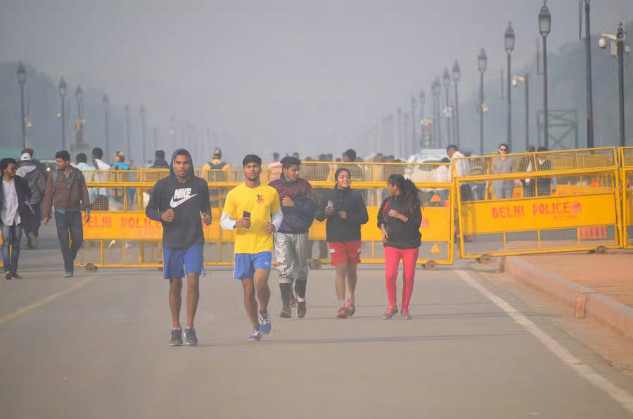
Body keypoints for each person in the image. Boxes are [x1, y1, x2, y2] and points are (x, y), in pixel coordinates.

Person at [145, 149, 212, 346]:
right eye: (178, 163)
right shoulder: (163, 186)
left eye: (185, 163)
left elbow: (206, 206)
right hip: (172, 242)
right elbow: (149, 210)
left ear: (190, 164)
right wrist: (161, 216)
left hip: (194, 241)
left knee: (193, 281)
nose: (182, 166)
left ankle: (190, 327)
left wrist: (207, 216)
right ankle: (176, 328)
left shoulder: (200, 184)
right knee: (175, 284)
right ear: (173, 164)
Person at [220, 154, 283, 341]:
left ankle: (263, 310)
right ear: (244, 169)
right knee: (248, 290)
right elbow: (224, 220)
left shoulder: (270, 192)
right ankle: (255, 327)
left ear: (260, 169)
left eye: (255, 166)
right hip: (242, 248)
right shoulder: (234, 194)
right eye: (248, 166)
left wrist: (275, 225)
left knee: (260, 282)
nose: (252, 169)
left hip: (263, 245)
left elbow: (278, 215)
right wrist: (236, 223)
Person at [315, 168, 368, 319]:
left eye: (348, 177)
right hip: (335, 239)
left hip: (353, 238)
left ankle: (350, 298)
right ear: (336, 179)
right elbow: (318, 216)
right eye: (342, 176)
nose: (345, 179)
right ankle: (341, 306)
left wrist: (348, 216)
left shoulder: (356, 196)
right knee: (341, 270)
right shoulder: (327, 195)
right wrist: (325, 212)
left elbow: (364, 218)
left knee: (351, 272)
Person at [268, 156, 316, 318]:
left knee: (301, 268)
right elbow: (264, 206)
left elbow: (313, 206)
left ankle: (301, 300)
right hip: (281, 232)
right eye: (293, 170)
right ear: (285, 170)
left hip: (301, 231)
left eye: (298, 170)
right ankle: (286, 305)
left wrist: (294, 204)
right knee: (283, 268)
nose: (296, 172)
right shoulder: (274, 187)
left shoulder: (304, 186)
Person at [377, 174, 422, 320]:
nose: (388, 188)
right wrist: (383, 229)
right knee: (390, 275)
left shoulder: (412, 203)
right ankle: (392, 306)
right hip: (392, 244)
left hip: (410, 245)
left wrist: (399, 216)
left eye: (389, 185)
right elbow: (380, 218)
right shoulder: (387, 201)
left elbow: (416, 224)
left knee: (408, 277)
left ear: (395, 186)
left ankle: (405, 307)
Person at [43, 151, 91, 277]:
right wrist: (46, 214)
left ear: (67, 161)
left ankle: (69, 259)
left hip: (75, 212)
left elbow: (84, 192)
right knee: (64, 242)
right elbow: (48, 195)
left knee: (78, 240)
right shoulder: (53, 175)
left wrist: (87, 209)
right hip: (60, 213)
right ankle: (69, 268)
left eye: (59, 161)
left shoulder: (77, 174)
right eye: (57, 161)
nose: (57, 164)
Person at [1, 158, 31, 279]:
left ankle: (13, 271)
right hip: (4, 217)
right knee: (6, 244)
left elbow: (28, 193)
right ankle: (7, 270)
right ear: (4, 170)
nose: (14, 170)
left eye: (15, 168)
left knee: (16, 245)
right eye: (12, 168)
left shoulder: (20, 181)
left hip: (18, 217)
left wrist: (25, 202)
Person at [16, 148, 47, 249]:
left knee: (25, 221)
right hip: (35, 200)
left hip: (22, 200)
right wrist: (43, 196)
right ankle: (34, 233)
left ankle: (29, 234)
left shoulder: (16, 170)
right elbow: (42, 186)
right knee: (36, 220)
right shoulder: (37, 170)